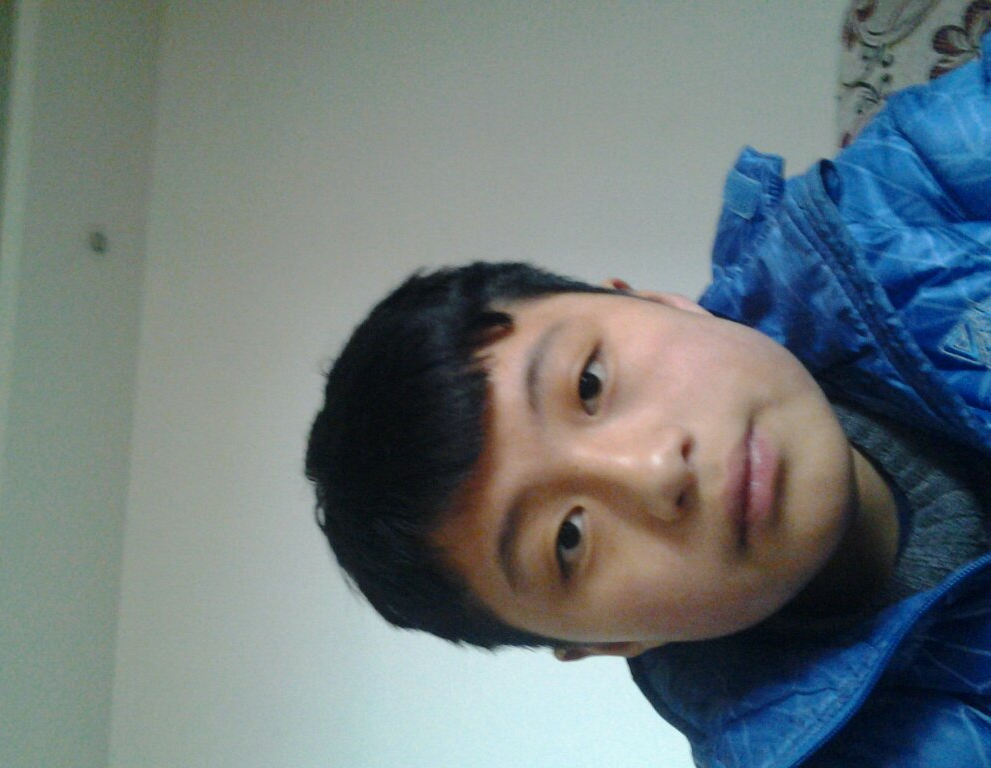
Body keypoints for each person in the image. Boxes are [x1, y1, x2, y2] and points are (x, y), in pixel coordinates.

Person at [306, 33, 991, 768]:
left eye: (588, 384)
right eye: (569, 538)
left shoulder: (905, 192)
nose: (656, 470)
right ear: (610, 643)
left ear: (660, 302)